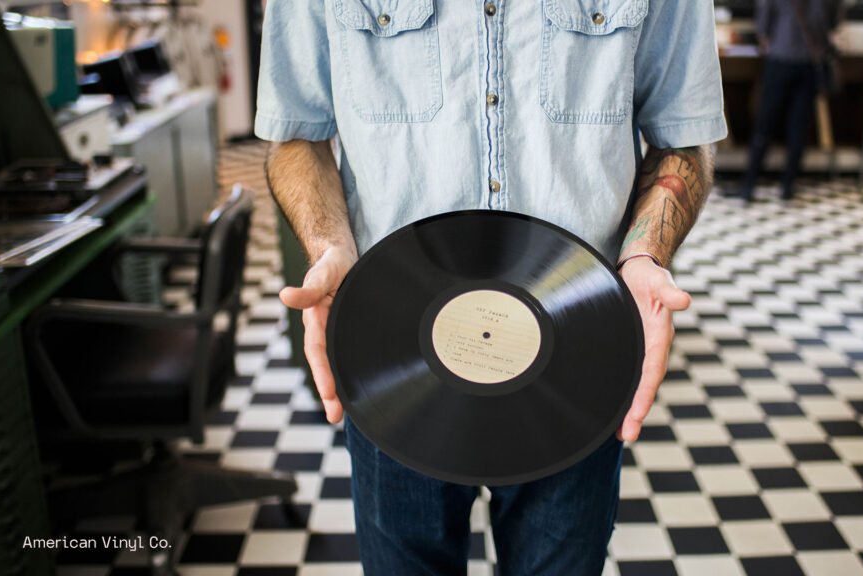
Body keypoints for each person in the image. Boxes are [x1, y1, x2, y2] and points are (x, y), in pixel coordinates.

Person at [256, 1, 726, 573]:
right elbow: (296, 134)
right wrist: (329, 245)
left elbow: (684, 135)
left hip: (578, 356)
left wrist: (647, 253)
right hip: (391, 360)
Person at [738, 0, 842, 201]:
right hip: (811, 63)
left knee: (765, 123)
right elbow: (833, 23)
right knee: (799, 126)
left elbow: (763, 23)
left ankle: (749, 184)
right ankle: (787, 186)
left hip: (780, 57)